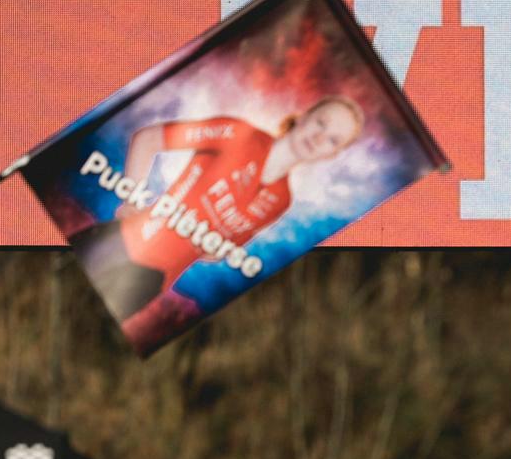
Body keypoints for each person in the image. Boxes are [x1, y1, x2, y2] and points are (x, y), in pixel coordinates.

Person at [70, 97, 366, 321]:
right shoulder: (239, 133)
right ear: (304, 116)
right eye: (321, 123)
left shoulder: (281, 201)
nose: (319, 138)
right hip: (120, 244)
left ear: (332, 154)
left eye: (333, 140)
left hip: (149, 285)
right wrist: (132, 199)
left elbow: (216, 251)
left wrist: (209, 245)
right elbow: (148, 139)